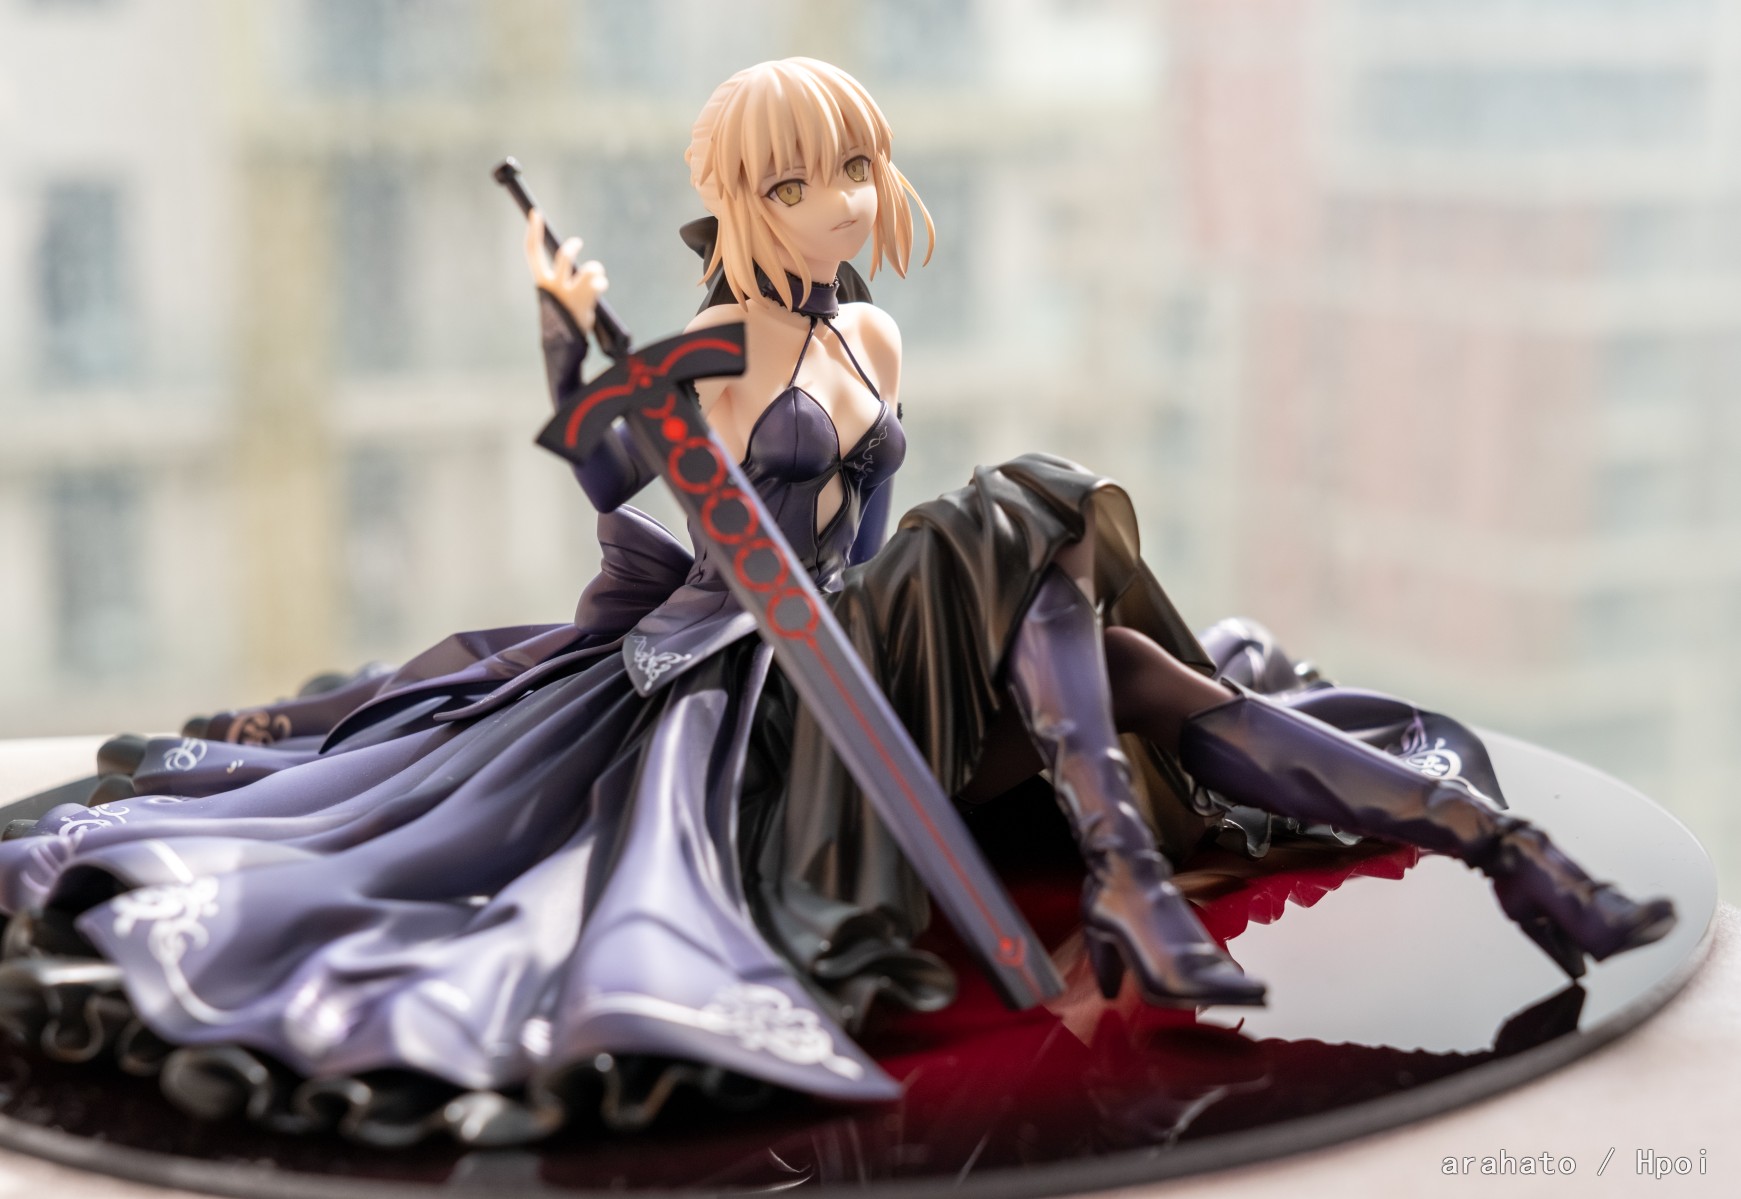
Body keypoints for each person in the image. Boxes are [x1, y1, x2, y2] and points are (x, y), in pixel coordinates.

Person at [0, 58, 1672, 1147]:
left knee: (1125, 654)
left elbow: (882, 534)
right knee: (1031, 516)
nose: (844, 205)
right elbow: (604, 470)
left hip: (900, 651)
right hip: (771, 689)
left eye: (857, 169)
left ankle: (1501, 855)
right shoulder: (704, 357)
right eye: (803, 184)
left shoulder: (868, 332)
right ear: (744, 200)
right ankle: (1131, 878)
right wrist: (563, 327)